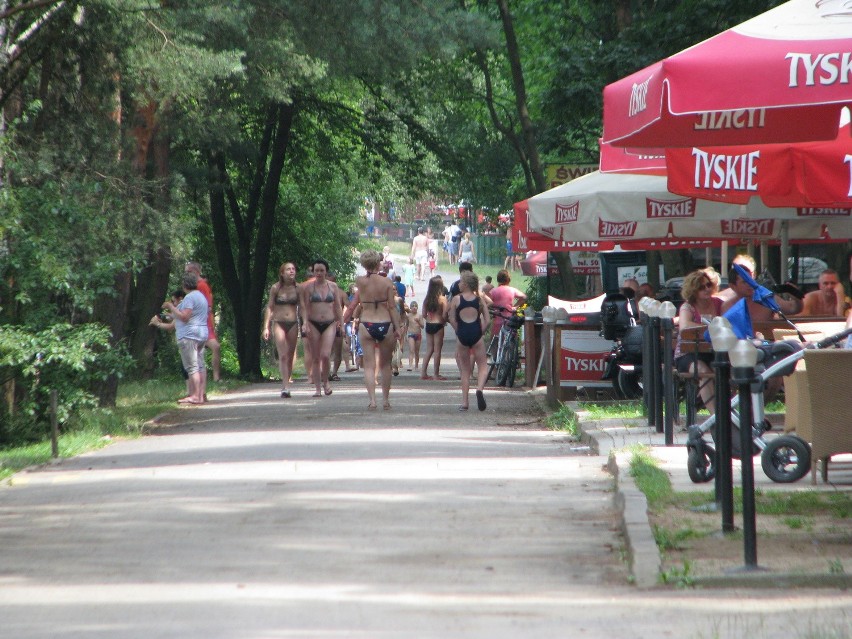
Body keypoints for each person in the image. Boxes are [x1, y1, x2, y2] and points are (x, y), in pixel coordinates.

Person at [344, 249, 401, 410]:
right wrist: (397, 327)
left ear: (363, 264)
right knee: (385, 365)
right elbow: (391, 307)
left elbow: (354, 304)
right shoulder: (387, 282)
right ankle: (386, 400)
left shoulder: (360, 282)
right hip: (385, 323)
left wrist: (343, 321)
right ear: (378, 263)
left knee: (369, 365)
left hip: (366, 324)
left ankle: (372, 400)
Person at [674, 270, 723, 414]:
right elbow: (684, 326)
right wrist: (711, 327)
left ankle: (727, 411)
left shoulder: (719, 304)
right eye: (702, 287)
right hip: (688, 354)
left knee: (723, 370)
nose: (707, 289)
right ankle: (716, 416)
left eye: (708, 285)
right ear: (693, 290)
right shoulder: (687, 306)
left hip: (714, 352)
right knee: (703, 371)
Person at [159, 271, 209, 405]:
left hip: (189, 336)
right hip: (201, 333)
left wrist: (170, 306)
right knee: (200, 365)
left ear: (184, 285)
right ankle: (201, 394)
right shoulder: (201, 297)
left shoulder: (189, 298)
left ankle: (195, 396)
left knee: (192, 367)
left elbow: (184, 317)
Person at [447, 271, 489, 411]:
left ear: (465, 285)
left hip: (462, 334)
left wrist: (458, 330)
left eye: (460, 282)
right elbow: (487, 320)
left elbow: (451, 318)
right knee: (483, 365)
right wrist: (480, 332)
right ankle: (479, 389)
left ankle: (465, 402)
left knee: (465, 370)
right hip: (476, 333)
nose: (458, 284)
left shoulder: (456, 300)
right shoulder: (479, 299)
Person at [300, 259, 343, 398]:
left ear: (326, 272)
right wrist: (305, 322)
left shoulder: (333, 287)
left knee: (325, 355)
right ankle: (318, 388)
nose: (319, 273)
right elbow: (304, 307)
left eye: (321, 270)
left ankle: (326, 382)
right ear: (313, 272)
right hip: (313, 323)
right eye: (316, 270)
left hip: (329, 323)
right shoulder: (308, 288)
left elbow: (337, 306)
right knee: (315, 357)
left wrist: (341, 322)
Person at [262, 262, 301, 398]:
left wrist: (306, 322)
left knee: (290, 356)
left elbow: (304, 308)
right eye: (288, 269)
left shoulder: (298, 288)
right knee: (283, 355)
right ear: (282, 273)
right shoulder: (276, 288)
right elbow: (270, 307)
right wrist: (266, 326)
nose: (291, 271)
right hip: (278, 323)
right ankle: (285, 386)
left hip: (293, 323)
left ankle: (287, 381)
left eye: (293, 269)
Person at [720, 257, 803, 320]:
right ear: (732, 286)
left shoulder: (766, 299)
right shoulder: (727, 306)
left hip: (766, 342)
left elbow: (793, 309)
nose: (750, 284)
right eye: (745, 282)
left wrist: (795, 293)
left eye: (751, 280)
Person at [185, 262, 221, 382]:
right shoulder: (195, 285)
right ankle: (199, 378)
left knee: (214, 347)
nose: (186, 274)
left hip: (203, 322)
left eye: (188, 272)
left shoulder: (201, 285)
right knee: (201, 350)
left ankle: (214, 377)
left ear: (196, 272)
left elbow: (208, 306)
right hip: (200, 322)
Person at [421, 275, 447, 380]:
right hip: (438, 325)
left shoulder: (426, 299)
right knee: (437, 350)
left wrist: (429, 317)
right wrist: (444, 320)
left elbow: (423, 314)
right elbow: (445, 314)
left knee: (429, 349)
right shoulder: (442, 299)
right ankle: (436, 374)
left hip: (429, 324)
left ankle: (423, 373)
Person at [488, 269, 527, 337]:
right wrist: (515, 307)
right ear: (508, 280)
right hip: (509, 320)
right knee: (509, 338)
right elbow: (524, 297)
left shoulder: (493, 291)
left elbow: (487, 302)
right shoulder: (512, 290)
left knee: (494, 341)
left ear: (498, 280)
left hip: (497, 319)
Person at [406, 301, 423, 371]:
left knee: (417, 351)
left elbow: (422, 326)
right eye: (412, 306)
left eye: (415, 306)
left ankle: (416, 365)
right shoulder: (408, 315)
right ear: (410, 308)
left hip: (418, 334)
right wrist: (404, 334)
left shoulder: (419, 315)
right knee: (411, 350)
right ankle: (410, 365)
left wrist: (418, 321)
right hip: (411, 334)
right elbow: (406, 325)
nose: (414, 307)